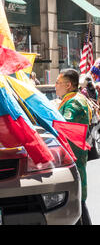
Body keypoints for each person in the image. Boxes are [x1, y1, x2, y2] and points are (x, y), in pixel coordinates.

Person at [55, 68, 92, 225]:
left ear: (68, 85)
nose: (55, 86)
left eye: (58, 83)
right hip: (73, 157)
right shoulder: (72, 99)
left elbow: (65, 125)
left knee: (77, 202)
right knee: (78, 204)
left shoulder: (74, 101)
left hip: (73, 158)